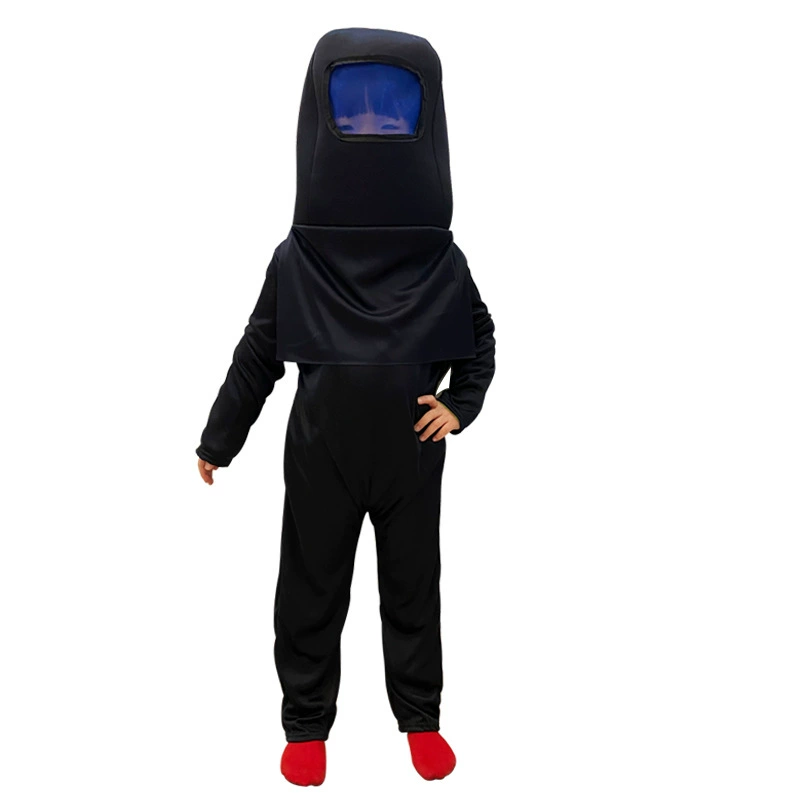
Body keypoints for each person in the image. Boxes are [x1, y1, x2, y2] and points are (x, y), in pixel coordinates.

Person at [196, 27, 496, 786]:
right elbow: (259, 353)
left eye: (388, 115)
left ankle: (420, 718)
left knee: (413, 588)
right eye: (352, 115)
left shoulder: (441, 260)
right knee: (309, 588)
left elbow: (481, 339)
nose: (371, 130)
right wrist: (218, 440)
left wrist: (459, 406)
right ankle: (306, 725)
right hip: (321, 453)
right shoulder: (299, 259)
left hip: (411, 454)